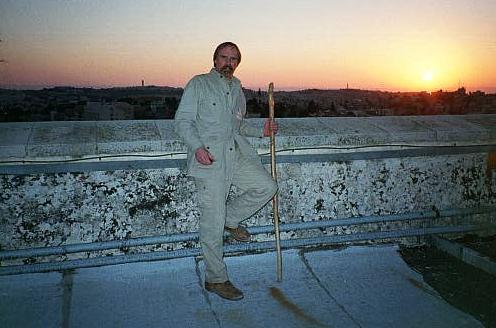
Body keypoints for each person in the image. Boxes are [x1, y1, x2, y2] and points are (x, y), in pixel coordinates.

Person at [174, 42, 278, 301]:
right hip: (208, 159)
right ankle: (216, 279)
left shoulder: (237, 89)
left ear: (238, 63)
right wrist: (197, 147)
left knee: (267, 186)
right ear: (215, 59)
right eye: (224, 57)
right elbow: (182, 121)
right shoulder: (198, 83)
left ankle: (230, 219)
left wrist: (262, 131)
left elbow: (237, 128)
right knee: (211, 223)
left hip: (235, 155)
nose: (228, 62)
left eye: (233, 59)